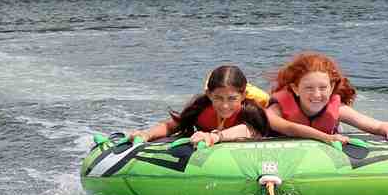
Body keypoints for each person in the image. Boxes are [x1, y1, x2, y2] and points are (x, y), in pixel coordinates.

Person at [128, 65, 345, 147]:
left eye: (232, 98)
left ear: (243, 95)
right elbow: (172, 125)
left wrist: (214, 137)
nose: (225, 105)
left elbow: (249, 130)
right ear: (209, 95)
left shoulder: (251, 112)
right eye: (218, 98)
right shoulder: (201, 109)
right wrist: (147, 134)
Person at [267, 53, 388, 140]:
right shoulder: (277, 108)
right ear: (295, 89)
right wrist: (327, 138)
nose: (317, 94)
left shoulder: (337, 109)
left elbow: (376, 126)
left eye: (323, 88)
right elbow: (290, 128)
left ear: (332, 87)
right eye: (309, 88)